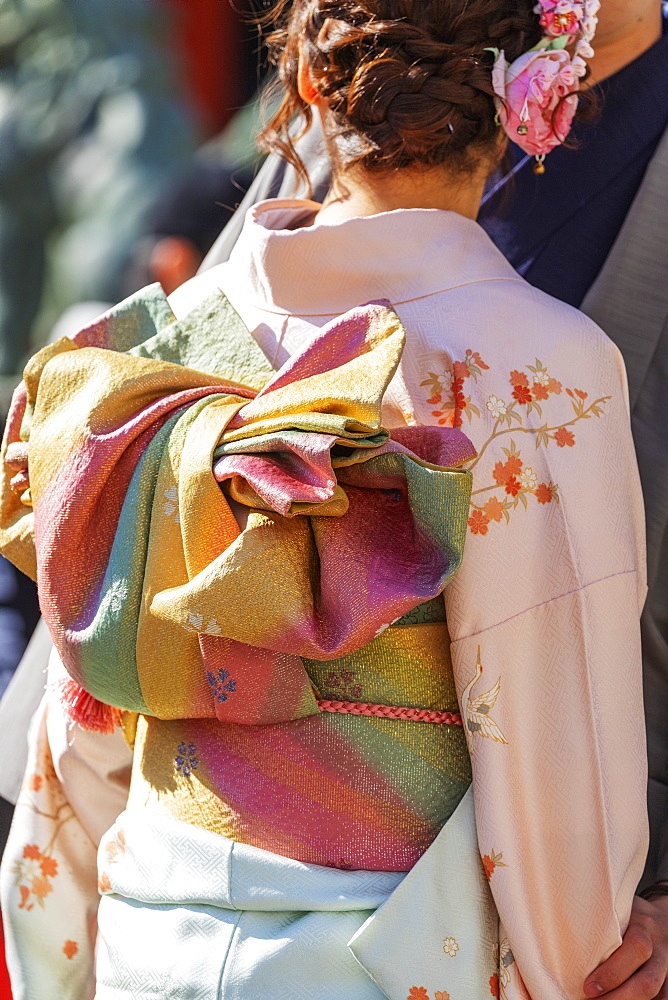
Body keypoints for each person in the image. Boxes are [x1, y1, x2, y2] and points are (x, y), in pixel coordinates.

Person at [0, 2, 650, 999]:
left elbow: (87, 695)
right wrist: (571, 961)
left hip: (149, 927)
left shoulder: (175, 337)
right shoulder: (539, 369)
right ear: (526, 98)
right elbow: (550, 719)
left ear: (305, 82)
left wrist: (56, 949)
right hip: (384, 954)